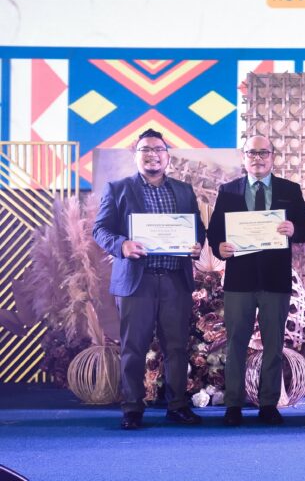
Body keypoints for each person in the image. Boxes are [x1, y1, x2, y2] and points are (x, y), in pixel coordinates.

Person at [93, 128, 205, 430]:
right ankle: (132, 408)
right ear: (136, 155)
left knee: (177, 347)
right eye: (145, 149)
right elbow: (100, 230)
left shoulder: (183, 190)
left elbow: (198, 229)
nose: (152, 154)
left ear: (167, 155)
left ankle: (178, 405)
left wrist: (197, 245)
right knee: (133, 347)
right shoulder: (117, 188)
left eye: (158, 149)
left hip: (174, 280)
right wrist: (122, 245)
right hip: (135, 282)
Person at [207, 135, 305, 426]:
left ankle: (269, 403)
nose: (257, 158)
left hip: (275, 279)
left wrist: (294, 228)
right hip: (238, 280)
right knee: (236, 344)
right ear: (244, 158)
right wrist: (219, 247)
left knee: (273, 344)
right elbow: (215, 231)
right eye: (251, 153)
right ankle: (233, 404)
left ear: (272, 156)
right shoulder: (227, 190)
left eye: (263, 152)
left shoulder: (289, 190)